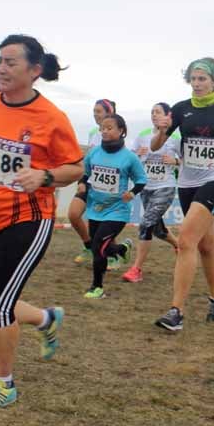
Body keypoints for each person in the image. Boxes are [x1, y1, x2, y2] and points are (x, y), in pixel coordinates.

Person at [0, 34, 83, 409]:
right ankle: (46, 318)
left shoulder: (51, 118)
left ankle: (4, 384)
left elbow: (75, 167)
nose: (1, 68)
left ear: (34, 70)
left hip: (30, 217)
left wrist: (44, 177)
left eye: (11, 62)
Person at [153, 58, 214, 331]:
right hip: (187, 182)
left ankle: (176, 312)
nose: (197, 84)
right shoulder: (180, 109)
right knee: (205, 245)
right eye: (193, 79)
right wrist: (162, 130)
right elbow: (156, 144)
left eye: (202, 79)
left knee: (186, 239)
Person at [81, 114, 145, 299]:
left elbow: (141, 180)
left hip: (117, 211)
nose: (105, 131)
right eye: (102, 128)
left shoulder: (129, 157)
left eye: (109, 128)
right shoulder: (94, 153)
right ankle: (122, 250)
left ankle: (97, 287)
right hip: (96, 208)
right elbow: (85, 172)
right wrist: (83, 183)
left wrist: (132, 193)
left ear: (121, 131)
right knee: (96, 245)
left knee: (99, 246)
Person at [122, 103, 181, 283]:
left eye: (158, 112)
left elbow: (189, 160)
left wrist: (176, 160)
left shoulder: (176, 136)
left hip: (166, 186)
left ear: (167, 116)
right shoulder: (143, 136)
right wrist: (137, 155)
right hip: (147, 187)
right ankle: (179, 245)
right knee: (156, 228)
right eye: (152, 112)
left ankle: (136, 269)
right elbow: (130, 159)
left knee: (146, 223)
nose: (154, 115)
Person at [72, 99, 117, 264]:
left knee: (101, 222)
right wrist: (82, 179)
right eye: (94, 110)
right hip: (88, 181)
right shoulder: (93, 132)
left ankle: (113, 255)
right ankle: (88, 246)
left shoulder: (114, 135)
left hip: (106, 185)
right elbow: (88, 160)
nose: (95, 114)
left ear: (108, 113)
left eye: (98, 111)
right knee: (73, 214)